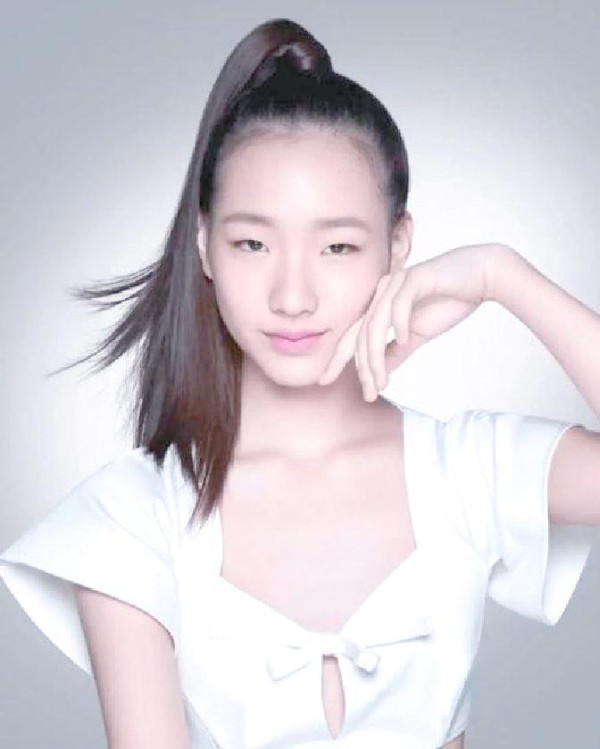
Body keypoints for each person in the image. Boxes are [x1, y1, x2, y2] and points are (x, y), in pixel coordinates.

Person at [1, 16, 599, 749]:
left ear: (398, 246)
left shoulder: (472, 469)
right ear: (204, 245)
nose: (292, 296)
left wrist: (504, 276)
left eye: (337, 246)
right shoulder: (131, 519)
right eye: (252, 242)